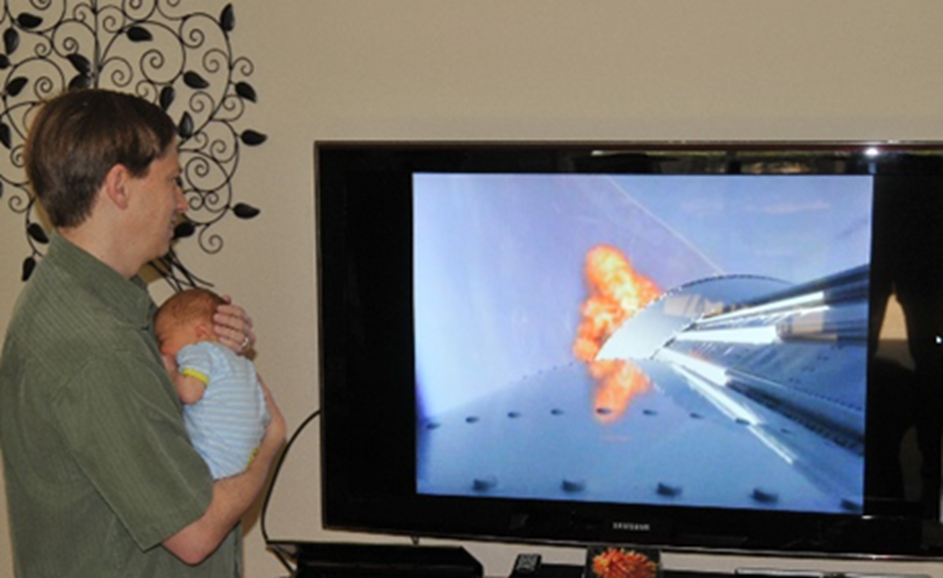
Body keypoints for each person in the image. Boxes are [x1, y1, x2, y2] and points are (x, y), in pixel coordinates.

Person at [0, 88, 285, 577]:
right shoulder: (96, 347)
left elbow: (149, 429)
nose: (183, 202)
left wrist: (210, 354)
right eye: (172, 180)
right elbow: (194, 533)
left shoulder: (90, 298)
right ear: (119, 186)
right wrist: (270, 442)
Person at [155, 288, 270, 480]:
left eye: (163, 340)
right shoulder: (242, 364)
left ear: (200, 332)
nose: (162, 349)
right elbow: (264, 414)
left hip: (211, 462)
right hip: (242, 461)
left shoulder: (198, 351)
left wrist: (172, 372)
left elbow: (190, 393)